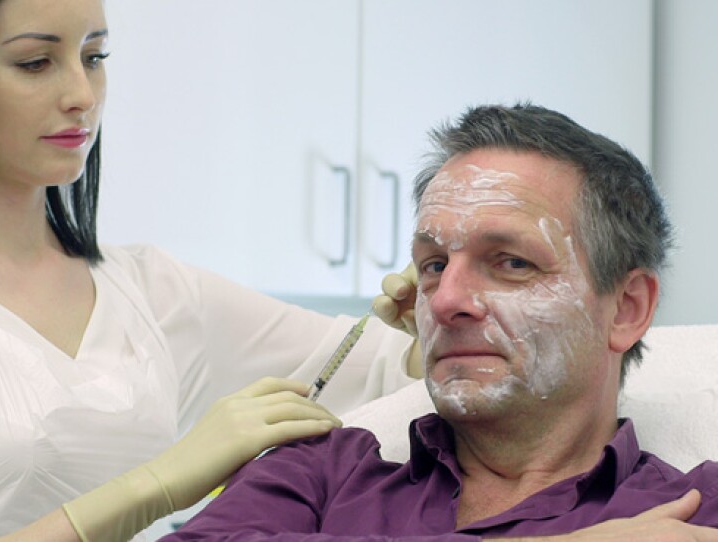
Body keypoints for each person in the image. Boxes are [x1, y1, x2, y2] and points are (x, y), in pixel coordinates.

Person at [0, 1, 419, 541]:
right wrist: (160, 483)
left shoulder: (155, 290)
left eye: (94, 57)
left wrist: (438, 310)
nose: (81, 94)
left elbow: (382, 370)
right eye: (36, 62)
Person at [162, 103, 718, 541]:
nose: (445, 299)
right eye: (433, 264)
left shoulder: (687, 514)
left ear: (627, 310)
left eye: (512, 262)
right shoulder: (323, 472)